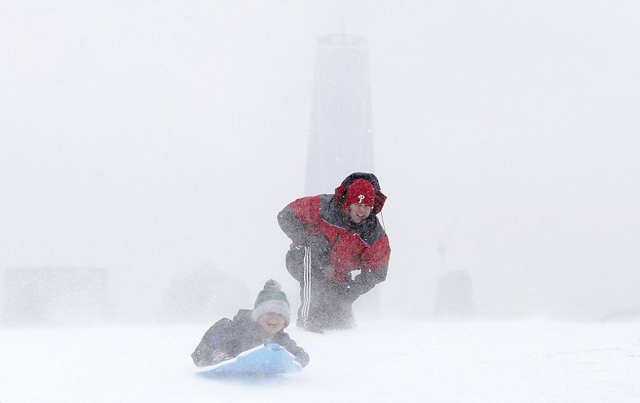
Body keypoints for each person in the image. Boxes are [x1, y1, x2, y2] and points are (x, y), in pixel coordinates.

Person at [277, 172, 390, 333]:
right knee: (315, 277)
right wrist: (304, 239)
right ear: (349, 203)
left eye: (366, 207)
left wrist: (351, 291)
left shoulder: (373, 233)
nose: (361, 211)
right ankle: (307, 321)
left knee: (342, 321)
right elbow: (286, 215)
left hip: (337, 274)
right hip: (303, 258)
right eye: (358, 205)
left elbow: (378, 270)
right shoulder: (325, 207)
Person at [191, 279, 309, 368]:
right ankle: (217, 357)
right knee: (223, 324)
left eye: (280, 315)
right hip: (217, 356)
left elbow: (301, 354)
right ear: (258, 317)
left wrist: (295, 361)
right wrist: (219, 354)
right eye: (269, 313)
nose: (274, 317)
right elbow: (219, 339)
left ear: (285, 323)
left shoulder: (282, 339)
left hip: (258, 371)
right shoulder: (240, 329)